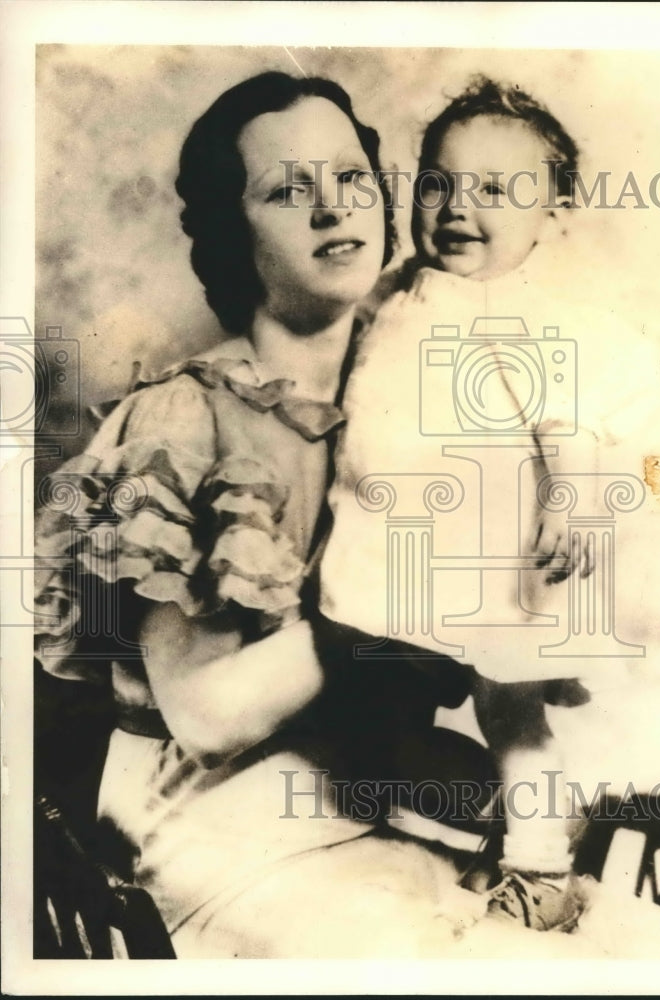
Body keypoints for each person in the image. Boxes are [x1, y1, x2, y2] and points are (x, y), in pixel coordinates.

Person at [32, 71, 493, 959]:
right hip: (210, 836)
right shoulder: (187, 416)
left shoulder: (402, 394)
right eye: (289, 189)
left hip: (374, 809)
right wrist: (393, 601)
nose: (332, 209)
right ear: (233, 233)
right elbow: (205, 715)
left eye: (351, 178)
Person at [319, 76, 601, 931]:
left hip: (488, 556)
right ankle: (499, 814)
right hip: (391, 553)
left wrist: (573, 501)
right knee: (371, 710)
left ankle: (541, 867)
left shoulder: (523, 314)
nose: (453, 207)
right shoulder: (400, 290)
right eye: (436, 183)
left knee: (507, 711)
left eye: (492, 192)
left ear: (551, 215)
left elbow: (570, 421)